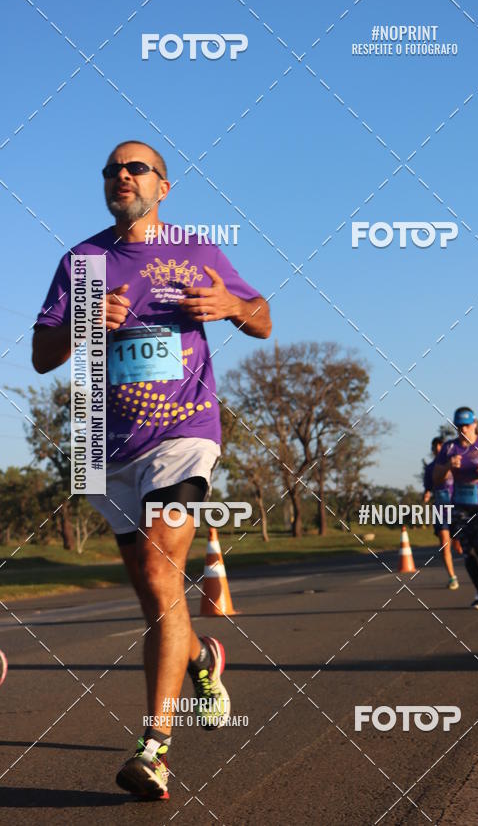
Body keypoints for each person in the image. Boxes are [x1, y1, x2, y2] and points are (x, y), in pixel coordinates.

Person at [32, 141, 272, 801]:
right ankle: (202, 658)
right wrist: (81, 324)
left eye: (135, 168)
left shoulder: (198, 254)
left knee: (166, 565)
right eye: (111, 169)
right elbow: (40, 355)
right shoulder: (81, 262)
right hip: (111, 447)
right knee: (153, 590)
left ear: (163, 186)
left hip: (185, 434)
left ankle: (155, 748)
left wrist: (231, 306)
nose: (121, 177)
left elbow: (263, 319)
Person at [433, 407, 478, 610]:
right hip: (461, 505)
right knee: (468, 552)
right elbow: (436, 478)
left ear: (475, 424)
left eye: (467, 424)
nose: (463, 428)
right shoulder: (449, 449)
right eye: (459, 425)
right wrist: (448, 466)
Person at [423, 437, 459, 589]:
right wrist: (426, 495)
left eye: (441, 447)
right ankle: (452, 578)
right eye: (435, 448)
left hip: (458, 508)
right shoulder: (430, 468)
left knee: (461, 547)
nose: (438, 450)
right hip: (440, 510)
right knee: (445, 545)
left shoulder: (456, 463)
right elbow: (428, 489)